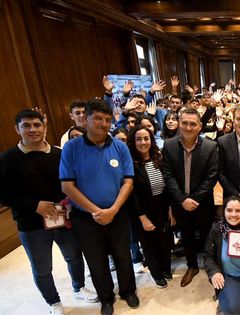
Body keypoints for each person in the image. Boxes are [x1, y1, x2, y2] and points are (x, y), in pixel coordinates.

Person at [0, 109, 98, 315]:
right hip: (31, 224)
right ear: (17, 129)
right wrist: (35, 205)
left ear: (44, 127)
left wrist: (71, 202)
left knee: (74, 256)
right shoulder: (7, 159)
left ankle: (79, 287)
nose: (32, 129)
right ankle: (54, 302)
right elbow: (3, 195)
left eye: (37, 125)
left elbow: (72, 183)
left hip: (64, 218)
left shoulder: (59, 155)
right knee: (42, 268)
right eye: (26, 125)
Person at [59, 99, 138, 315]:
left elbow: (128, 181)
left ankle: (128, 291)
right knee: (96, 260)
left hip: (117, 213)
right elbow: (67, 186)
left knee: (123, 255)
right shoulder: (71, 148)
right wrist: (96, 211)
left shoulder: (120, 147)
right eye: (98, 119)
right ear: (86, 119)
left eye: (107, 119)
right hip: (86, 218)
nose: (103, 123)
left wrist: (112, 210)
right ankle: (106, 297)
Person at [162, 108, 218, 288]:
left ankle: (212, 266)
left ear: (200, 126)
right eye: (184, 123)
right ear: (179, 123)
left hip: (203, 203)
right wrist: (181, 199)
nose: (188, 127)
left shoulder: (210, 146)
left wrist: (194, 199)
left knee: (208, 234)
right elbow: (168, 174)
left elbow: (212, 176)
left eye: (192, 124)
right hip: (180, 203)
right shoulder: (169, 145)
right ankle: (192, 266)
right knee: (186, 235)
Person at [126, 125, 172, 289]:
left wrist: (170, 209)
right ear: (133, 141)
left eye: (146, 138)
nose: (143, 142)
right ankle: (157, 273)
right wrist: (143, 217)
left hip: (162, 204)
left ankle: (166, 268)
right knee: (149, 244)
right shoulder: (130, 163)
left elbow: (168, 186)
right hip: (143, 209)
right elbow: (132, 195)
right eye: (138, 139)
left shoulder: (158, 158)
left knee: (165, 239)